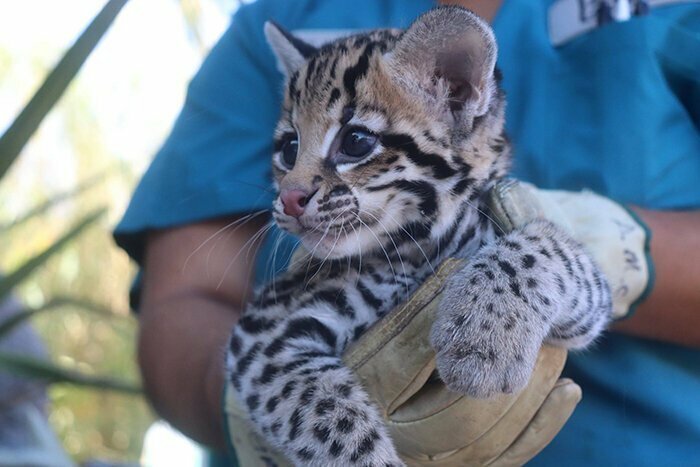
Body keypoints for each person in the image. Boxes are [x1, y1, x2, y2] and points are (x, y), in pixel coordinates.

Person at [114, 0, 700, 464]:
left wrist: (575, 257)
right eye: (290, 149)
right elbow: (188, 307)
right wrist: (285, 424)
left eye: (356, 143)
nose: (295, 189)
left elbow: (579, 294)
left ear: (459, 94)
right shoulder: (283, 17)